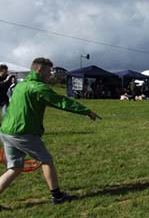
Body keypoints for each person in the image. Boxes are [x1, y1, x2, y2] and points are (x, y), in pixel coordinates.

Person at [0, 58, 100, 204]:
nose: (50, 75)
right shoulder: (38, 88)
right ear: (39, 70)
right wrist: (86, 111)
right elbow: (62, 102)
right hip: (23, 132)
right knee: (46, 160)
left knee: (15, 168)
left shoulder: (20, 86)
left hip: (6, 131)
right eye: (48, 71)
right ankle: (57, 196)